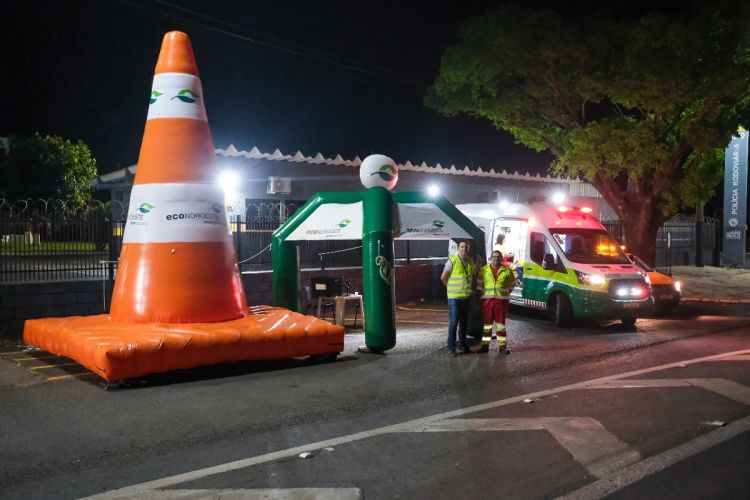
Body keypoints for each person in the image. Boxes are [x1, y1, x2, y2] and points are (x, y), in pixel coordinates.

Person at [441, 240, 476, 356]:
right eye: (462, 247)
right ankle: (451, 347)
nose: (464, 249)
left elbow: (472, 278)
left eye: (466, 247)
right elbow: (443, 277)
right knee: (454, 322)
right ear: (458, 248)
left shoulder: (471, 261)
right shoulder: (452, 261)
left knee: (464, 323)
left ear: (468, 249)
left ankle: (463, 344)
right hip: (454, 297)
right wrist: (450, 288)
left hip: (466, 297)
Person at [478, 250, 516, 353]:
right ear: (491, 258)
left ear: (501, 258)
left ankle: (502, 347)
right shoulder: (484, 270)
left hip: (501, 302)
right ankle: (485, 346)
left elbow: (513, 283)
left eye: (498, 257)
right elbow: (479, 285)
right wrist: (480, 298)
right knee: (487, 325)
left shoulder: (507, 270)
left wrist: (508, 291)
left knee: (501, 325)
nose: (496, 259)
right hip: (488, 302)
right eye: (494, 257)